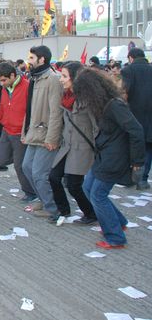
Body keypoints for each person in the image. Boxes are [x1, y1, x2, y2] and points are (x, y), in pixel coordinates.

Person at [73, 68, 145, 249]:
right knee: (87, 188)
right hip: (103, 155)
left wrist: (137, 162)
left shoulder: (115, 105)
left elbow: (136, 131)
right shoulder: (101, 104)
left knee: (98, 195)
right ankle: (118, 222)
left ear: (91, 90)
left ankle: (115, 237)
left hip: (115, 158)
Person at [48, 62, 98, 225]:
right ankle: (63, 211)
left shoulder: (88, 99)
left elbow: (97, 126)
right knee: (54, 177)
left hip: (82, 148)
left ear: (75, 78)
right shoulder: (66, 96)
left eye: (64, 76)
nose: (61, 79)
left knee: (74, 185)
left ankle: (90, 213)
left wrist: (98, 148)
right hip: (67, 146)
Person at [21, 45, 63, 219]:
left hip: (46, 134)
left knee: (39, 173)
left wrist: (52, 138)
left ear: (42, 59)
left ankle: (53, 208)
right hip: (34, 132)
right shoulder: (35, 78)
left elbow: (56, 112)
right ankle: (43, 198)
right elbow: (30, 108)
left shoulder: (52, 79)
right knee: (26, 167)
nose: (28, 61)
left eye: (31, 58)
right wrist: (25, 132)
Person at [0, 62, 37, 202]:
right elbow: (1, 107)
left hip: (20, 132)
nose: (2, 83)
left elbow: (32, 111)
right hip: (6, 129)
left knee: (19, 166)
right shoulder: (5, 89)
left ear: (12, 75)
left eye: (4, 80)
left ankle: (30, 192)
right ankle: (26, 159)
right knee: (0, 160)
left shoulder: (27, 87)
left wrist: (28, 130)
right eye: (0, 81)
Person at [120, 47, 152, 190]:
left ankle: (131, 178)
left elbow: (125, 92)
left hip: (133, 115)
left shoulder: (128, 70)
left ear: (131, 58)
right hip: (150, 116)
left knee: (132, 146)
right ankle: (143, 179)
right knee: (149, 148)